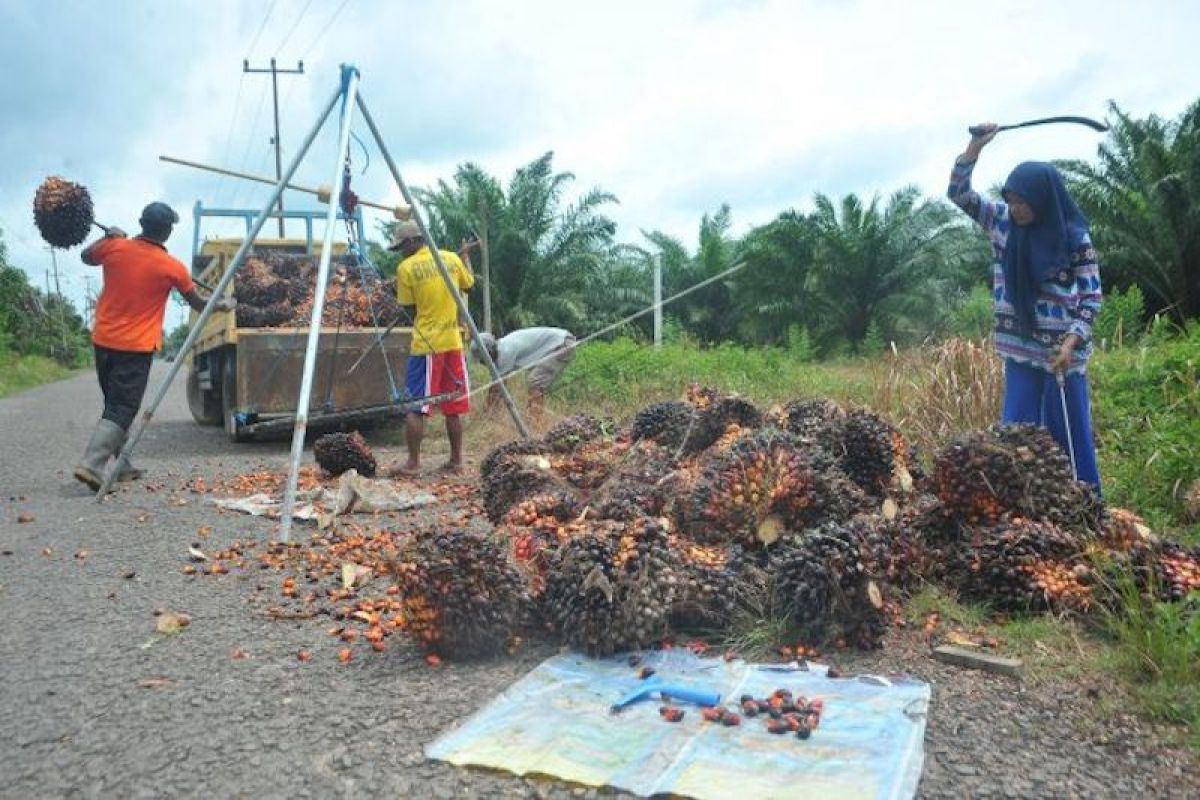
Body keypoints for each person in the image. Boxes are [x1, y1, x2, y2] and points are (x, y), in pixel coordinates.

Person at [947, 122, 1103, 488]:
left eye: (1022, 201)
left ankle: (1086, 508)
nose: (1015, 208)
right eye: (1011, 199)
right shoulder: (1001, 223)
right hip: (1019, 351)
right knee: (1014, 438)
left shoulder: (1074, 237)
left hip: (1061, 357)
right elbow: (958, 193)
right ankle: (1019, 511)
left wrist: (1070, 343)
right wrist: (975, 147)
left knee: (1069, 436)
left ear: (1042, 198)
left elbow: (1092, 296)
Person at [75, 202, 236, 490]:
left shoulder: (114, 247)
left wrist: (108, 237)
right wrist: (223, 305)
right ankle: (92, 465)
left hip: (103, 341)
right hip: (135, 347)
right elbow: (198, 302)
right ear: (169, 231)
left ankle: (121, 465)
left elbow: (86, 256)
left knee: (115, 404)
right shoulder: (172, 267)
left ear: (140, 221)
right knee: (123, 407)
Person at [386, 220, 476, 476]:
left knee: (416, 406)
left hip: (426, 345)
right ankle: (457, 461)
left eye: (402, 246)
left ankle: (412, 463)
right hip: (453, 343)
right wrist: (465, 257)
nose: (401, 252)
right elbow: (469, 284)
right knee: (452, 404)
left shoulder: (406, 268)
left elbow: (408, 307)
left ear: (414, 242)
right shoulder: (450, 258)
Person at [474, 327, 576, 417]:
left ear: (490, 352)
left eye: (482, 359)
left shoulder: (505, 352)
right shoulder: (502, 347)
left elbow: (498, 387)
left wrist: (487, 412)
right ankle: (532, 417)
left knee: (534, 381)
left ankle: (535, 421)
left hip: (561, 344)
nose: (482, 363)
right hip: (556, 343)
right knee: (534, 381)